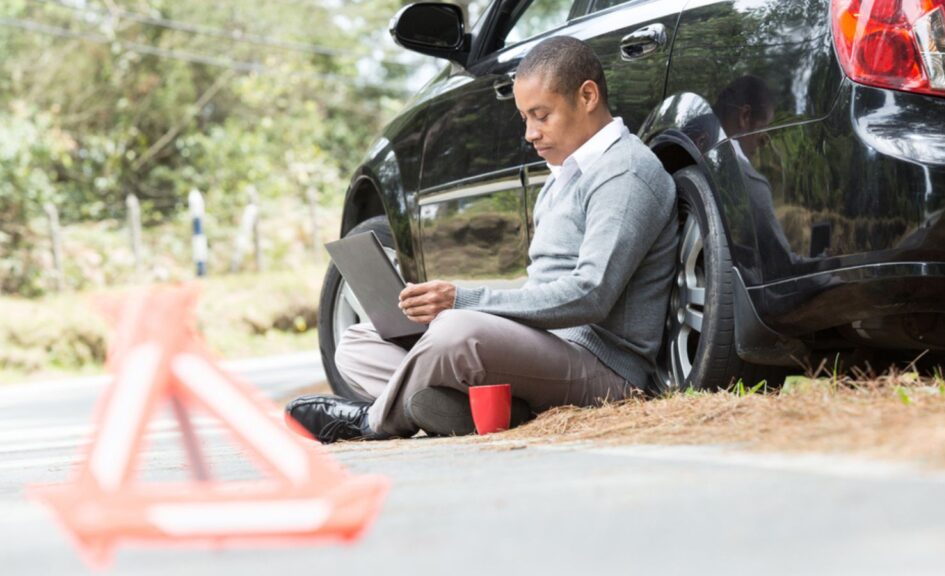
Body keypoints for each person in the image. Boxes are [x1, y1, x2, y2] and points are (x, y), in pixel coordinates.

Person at [285, 36, 678, 442]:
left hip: (602, 368)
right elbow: (543, 288)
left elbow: (591, 294)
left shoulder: (625, 173)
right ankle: (497, 409)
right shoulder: (562, 179)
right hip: (545, 348)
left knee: (455, 333)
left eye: (541, 116)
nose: (530, 133)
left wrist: (463, 301)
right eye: (525, 117)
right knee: (358, 342)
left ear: (588, 96)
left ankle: (374, 422)